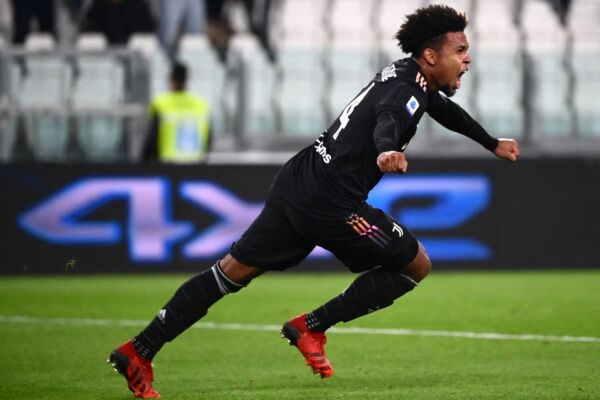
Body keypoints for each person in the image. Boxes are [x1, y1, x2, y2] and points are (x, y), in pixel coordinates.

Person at [108, 5, 520, 398]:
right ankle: (312, 325)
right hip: (333, 203)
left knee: (228, 273)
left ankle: (139, 350)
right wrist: (386, 149)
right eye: (460, 51)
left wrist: (490, 142)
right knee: (416, 265)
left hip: (300, 178)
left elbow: (440, 109)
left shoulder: (407, 75)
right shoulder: (405, 91)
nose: (467, 59)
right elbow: (390, 118)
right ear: (431, 56)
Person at [142, 62, 212, 163]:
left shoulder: (161, 104)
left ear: (171, 79)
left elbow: (151, 140)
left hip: (169, 165)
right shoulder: (201, 105)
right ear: (187, 79)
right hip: (196, 164)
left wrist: (145, 162)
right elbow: (208, 140)